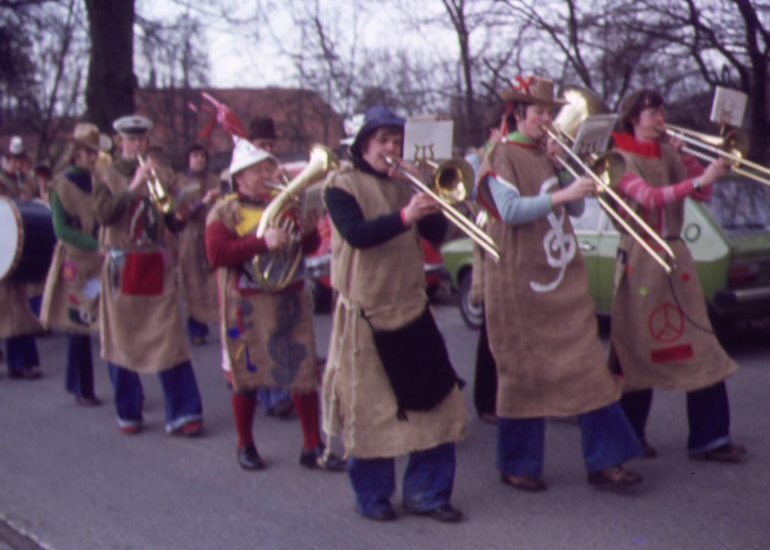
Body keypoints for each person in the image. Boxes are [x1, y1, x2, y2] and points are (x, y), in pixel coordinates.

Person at [476, 76, 643, 492]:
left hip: (562, 279)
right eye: (540, 113)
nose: (548, 120)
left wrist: (567, 170)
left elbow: (579, 207)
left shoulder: (546, 154)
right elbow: (510, 210)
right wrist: (563, 195)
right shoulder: (501, 155)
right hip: (518, 281)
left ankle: (607, 461)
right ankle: (518, 465)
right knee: (522, 373)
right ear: (518, 115)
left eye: (551, 113)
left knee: (588, 366)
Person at [322, 106, 467, 523]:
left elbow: (436, 236)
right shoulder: (341, 185)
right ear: (363, 145)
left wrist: (430, 196)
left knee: (439, 404)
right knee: (371, 411)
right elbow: (357, 234)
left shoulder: (406, 183)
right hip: (367, 312)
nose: (391, 148)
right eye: (382, 140)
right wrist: (405, 216)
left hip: (411, 306)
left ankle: (428, 493)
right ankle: (373, 496)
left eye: (397, 141)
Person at [609, 89, 746, 462]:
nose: (660, 118)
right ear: (633, 119)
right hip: (642, 259)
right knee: (638, 352)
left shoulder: (667, 153)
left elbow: (703, 195)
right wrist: (699, 181)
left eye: (661, 111)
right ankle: (629, 436)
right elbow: (650, 198)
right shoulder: (620, 159)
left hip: (675, 258)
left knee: (703, 347)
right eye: (651, 113)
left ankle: (710, 438)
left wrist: (690, 160)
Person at [205, 136, 345, 473]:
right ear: (240, 178)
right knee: (247, 376)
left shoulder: (283, 204)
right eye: (258, 170)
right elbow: (216, 254)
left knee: (302, 373)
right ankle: (245, 444)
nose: (267, 174)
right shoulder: (225, 210)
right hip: (248, 303)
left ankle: (312, 445)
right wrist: (261, 243)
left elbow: (304, 247)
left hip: (289, 298)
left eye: (268, 168)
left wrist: (309, 230)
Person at [93, 114, 203, 436]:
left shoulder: (161, 174)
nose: (138, 145)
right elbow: (103, 215)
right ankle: (129, 412)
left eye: (142, 139)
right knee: (121, 341)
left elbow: (169, 221)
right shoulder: (106, 175)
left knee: (170, 338)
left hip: (156, 263)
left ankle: (184, 412)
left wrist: (181, 215)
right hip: (122, 265)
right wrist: (133, 188)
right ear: (120, 142)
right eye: (132, 140)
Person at [40, 123, 107, 406]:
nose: (93, 157)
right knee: (79, 325)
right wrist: (93, 244)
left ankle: (86, 385)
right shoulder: (61, 186)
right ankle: (82, 387)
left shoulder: (98, 182)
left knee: (101, 319)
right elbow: (61, 229)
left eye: (95, 152)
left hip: (99, 263)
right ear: (77, 153)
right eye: (89, 152)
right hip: (75, 265)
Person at [247, 116, 294, 419]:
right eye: (262, 145)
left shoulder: (278, 171)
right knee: (259, 332)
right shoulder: (239, 171)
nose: (267, 150)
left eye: (271, 145)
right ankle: (268, 394)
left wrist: (286, 187)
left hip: (279, 257)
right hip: (252, 257)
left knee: (279, 329)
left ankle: (279, 392)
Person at [466, 108, 503, 424]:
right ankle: (486, 400)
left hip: (514, 240)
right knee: (491, 328)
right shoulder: (476, 159)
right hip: (488, 240)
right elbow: (470, 196)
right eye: (503, 127)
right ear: (492, 129)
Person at [0, 136, 43, 379]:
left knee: (18, 308)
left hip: (14, 249)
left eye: (20, 159)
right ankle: (18, 364)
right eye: (14, 160)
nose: (18, 164)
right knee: (9, 311)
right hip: (4, 249)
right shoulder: (2, 182)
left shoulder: (19, 181)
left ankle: (26, 361)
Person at [176, 143, 220, 346]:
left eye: (202, 155)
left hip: (210, 232)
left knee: (214, 283)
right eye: (195, 155)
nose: (199, 159)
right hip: (190, 239)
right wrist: (202, 201)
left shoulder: (214, 180)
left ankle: (223, 323)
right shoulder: (181, 181)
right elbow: (180, 213)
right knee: (192, 283)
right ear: (188, 159)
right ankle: (196, 329)